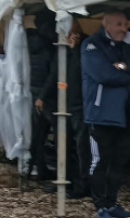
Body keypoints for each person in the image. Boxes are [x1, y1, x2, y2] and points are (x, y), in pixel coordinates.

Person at [82, 10, 130, 218]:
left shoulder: (128, 46)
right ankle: (100, 207)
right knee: (99, 162)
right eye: (119, 24)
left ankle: (112, 204)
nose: (124, 28)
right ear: (106, 25)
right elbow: (104, 74)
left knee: (118, 163)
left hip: (126, 116)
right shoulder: (91, 45)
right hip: (101, 116)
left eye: (125, 23)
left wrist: (123, 66)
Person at [38, 18, 91, 199]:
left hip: (81, 104)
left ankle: (83, 184)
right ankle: (66, 179)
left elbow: (80, 70)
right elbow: (55, 72)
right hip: (66, 102)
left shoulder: (86, 45)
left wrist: (74, 49)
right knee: (64, 144)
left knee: (81, 147)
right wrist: (42, 96)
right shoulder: (61, 48)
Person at [28, 11, 58, 184]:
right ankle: (51, 170)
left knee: (38, 134)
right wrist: (44, 95)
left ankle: (37, 167)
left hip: (33, 91)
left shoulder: (29, 44)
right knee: (58, 132)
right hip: (47, 95)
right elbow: (53, 74)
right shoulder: (49, 47)